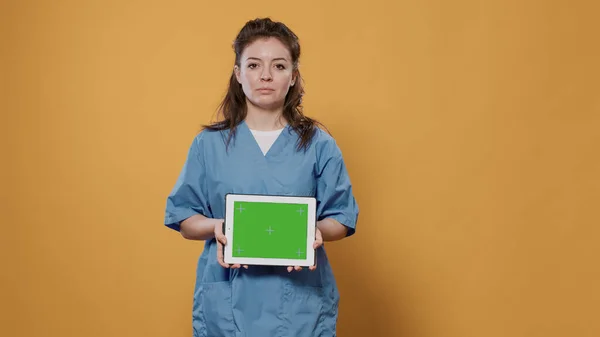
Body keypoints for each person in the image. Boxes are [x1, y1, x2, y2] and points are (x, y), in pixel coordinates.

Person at [164, 17, 359, 337]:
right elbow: (183, 216)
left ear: (293, 76)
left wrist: (313, 232)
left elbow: (341, 217)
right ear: (238, 74)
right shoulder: (208, 145)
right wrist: (218, 227)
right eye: (254, 65)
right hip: (229, 301)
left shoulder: (319, 145)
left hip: (299, 305)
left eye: (279, 66)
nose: (266, 75)